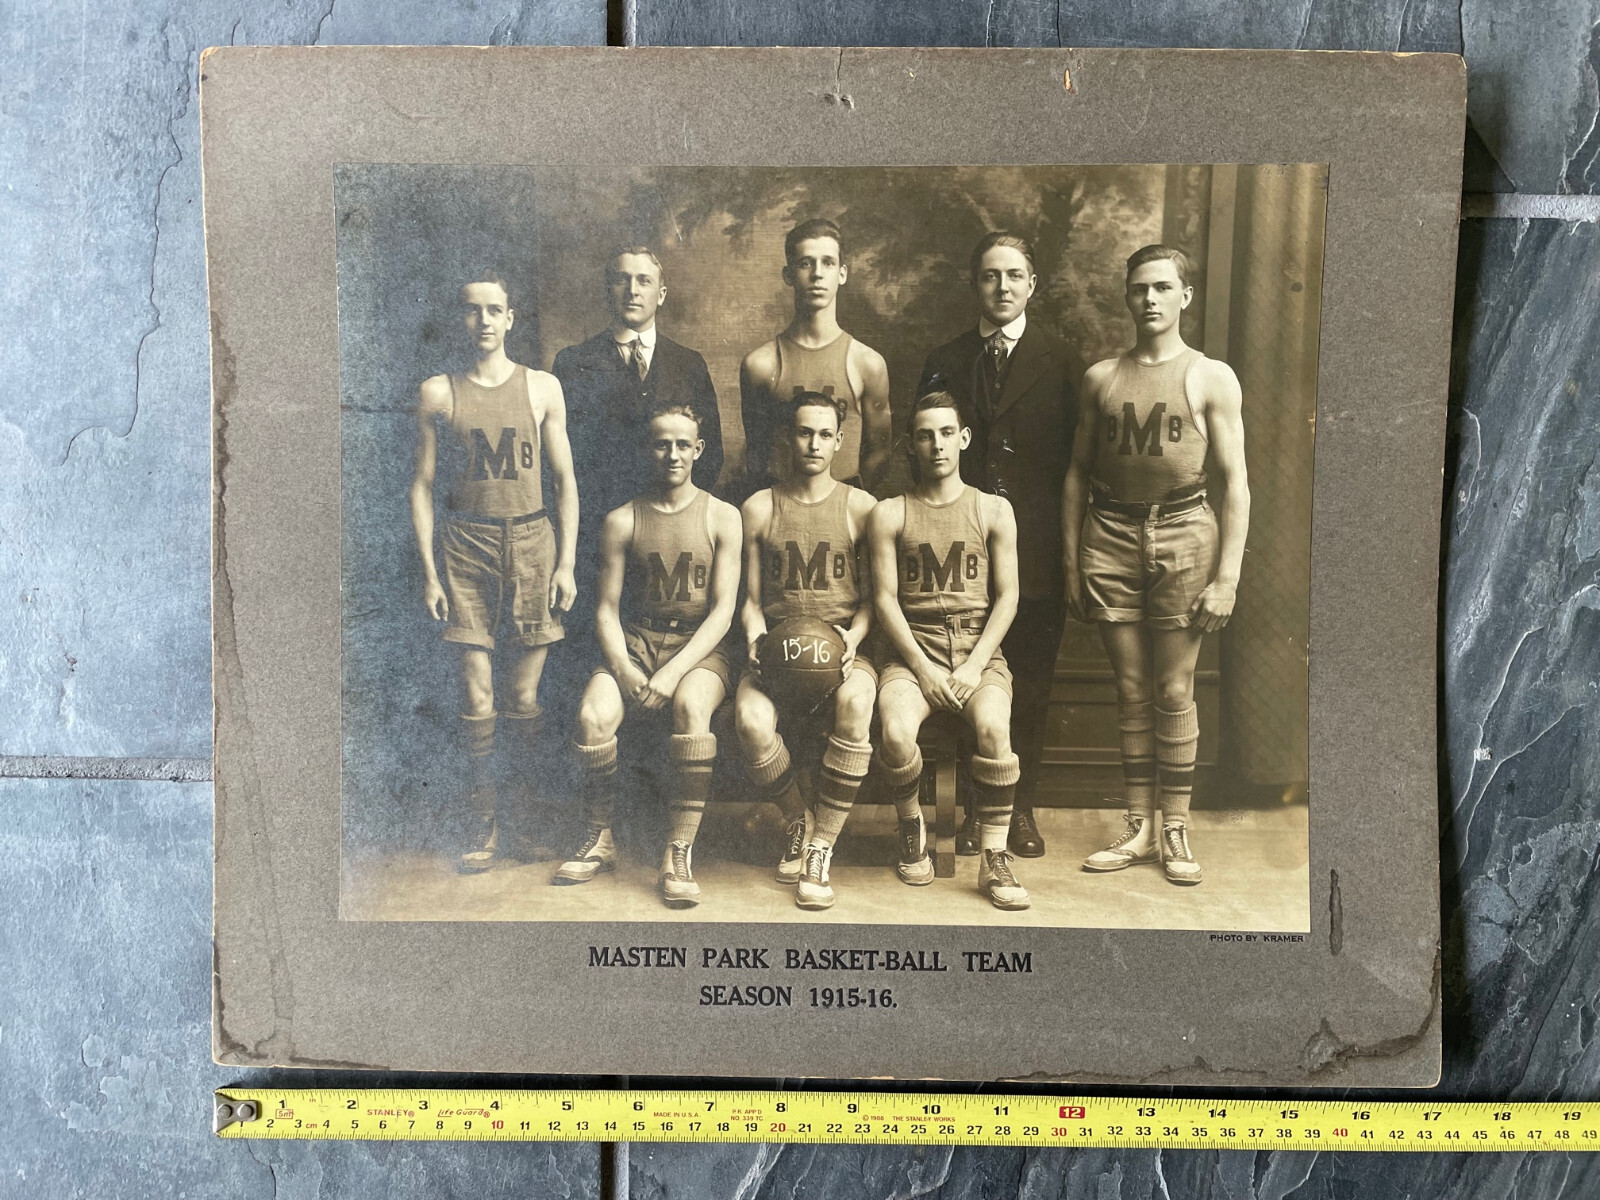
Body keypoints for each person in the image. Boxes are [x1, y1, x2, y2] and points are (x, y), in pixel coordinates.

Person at [1063, 244, 1250, 886]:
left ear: (1184, 296)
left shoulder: (1210, 376)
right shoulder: (1101, 378)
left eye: (1162, 288)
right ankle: (1138, 824)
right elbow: (1076, 475)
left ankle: (1175, 826)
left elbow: (1238, 483)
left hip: (1184, 532)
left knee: (1174, 690)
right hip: (1109, 531)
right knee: (1131, 690)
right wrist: (1070, 562)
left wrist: (1227, 577)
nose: (1149, 299)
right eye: (1139, 288)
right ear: (1127, 296)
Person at [409, 273, 578, 872]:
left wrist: (567, 562)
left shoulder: (542, 388)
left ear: (511, 319)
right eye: (473, 311)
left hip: (532, 543)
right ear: (461, 319)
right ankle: (483, 825)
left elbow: (564, 481)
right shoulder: (438, 392)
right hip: (464, 547)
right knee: (478, 694)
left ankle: (525, 822)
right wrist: (430, 573)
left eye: (495, 310)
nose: (484, 320)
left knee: (523, 694)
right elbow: (423, 486)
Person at [918, 232, 1077, 859]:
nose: (1002, 287)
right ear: (975, 285)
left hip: (1033, 553)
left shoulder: (1062, 360)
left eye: (1014, 276)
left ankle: (1020, 809)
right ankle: (969, 808)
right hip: (958, 555)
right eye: (990, 276)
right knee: (964, 675)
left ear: (1032, 284)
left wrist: (1068, 552)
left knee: (1029, 685)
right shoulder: (946, 358)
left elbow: (1075, 466)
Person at [554, 402, 742, 908]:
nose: (673, 454)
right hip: (636, 641)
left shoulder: (724, 516)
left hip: (699, 648)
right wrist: (626, 669)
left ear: (699, 451)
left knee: (691, 707)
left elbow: (723, 612)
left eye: (683, 445)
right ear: (647, 448)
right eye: (662, 443)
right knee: (593, 715)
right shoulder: (622, 519)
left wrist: (674, 673)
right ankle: (600, 837)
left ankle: (678, 849)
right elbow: (606, 611)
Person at [868, 390, 1028, 910]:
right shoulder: (891, 513)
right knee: (894, 731)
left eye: (945, 434)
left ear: (963, 439)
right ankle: (911, 823)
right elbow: (886, 600)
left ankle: (994, 858)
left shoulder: (993, 508)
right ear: (910, 445)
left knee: (995, 729)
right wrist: (924, 668)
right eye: (923, 435)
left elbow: (1008, 597)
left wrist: (976, 665)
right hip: (913, 651)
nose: (935, 445)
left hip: (978, 650)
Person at [736, 391, 879, 910]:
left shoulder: (862, 508)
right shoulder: (757, 507)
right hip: (777, 654)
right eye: (803, 432)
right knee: (751, 721)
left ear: (840, 442)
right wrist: (755, 639)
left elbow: (872, 603)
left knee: (858, 704)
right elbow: (751, 602)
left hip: (841, 649)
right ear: (786, 437)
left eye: (824, 434)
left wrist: (852, 642)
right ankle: (799, 817)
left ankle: (822, 847)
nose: (813, 443)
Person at [552, 246, 724, 649]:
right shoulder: (573, 363)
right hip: (597, 537)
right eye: (621, 279)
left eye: (644, 280)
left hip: (672, 542)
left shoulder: (689, 364)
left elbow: (711, 454)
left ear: (660, 294)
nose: (632, 290)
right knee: (600, 651)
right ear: (607, 291)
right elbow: (560, 462)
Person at [740, 218, 890, 492]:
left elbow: (879, 452)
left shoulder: (867, 363)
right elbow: (757, 454)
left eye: (828, 263)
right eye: (806, 263)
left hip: (846, 515)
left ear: (842, 274)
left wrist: (847, 505)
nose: (817, 274)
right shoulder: (760, 364)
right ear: (789, 275)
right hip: (780, 508)